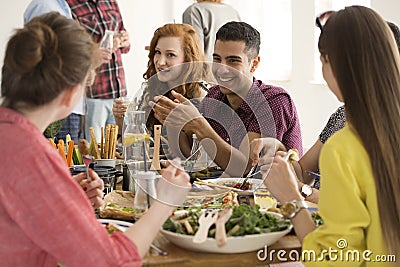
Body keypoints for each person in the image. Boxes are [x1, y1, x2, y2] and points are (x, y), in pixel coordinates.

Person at [0, 12, 191, 266]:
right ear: (70, 95)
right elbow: (109, 261)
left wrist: (64, 201)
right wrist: (164, 204)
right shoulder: (33, 156)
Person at [256, 6, 400, 265]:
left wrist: (291, 200)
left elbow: (334, 259)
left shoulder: (344, 147)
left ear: (333, 63)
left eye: (323, 59)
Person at [249, 20, 400, 205]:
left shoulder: (388, 126)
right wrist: (278, 148)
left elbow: (358, 206)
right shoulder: (343, 114)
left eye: (327, 60)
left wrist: (299, 191)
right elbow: (303, 172)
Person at [151, 21, 303, 177]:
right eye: (217, 59)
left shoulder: (274, 101)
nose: (222, 69)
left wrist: (199, 124)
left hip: (269, 198)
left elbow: (245, 167)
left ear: (254, 64)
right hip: (222, 194)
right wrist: (177, 124)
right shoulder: (214, 95)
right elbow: (193, 154)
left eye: (233, 61)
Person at [113, 23, 213, 149]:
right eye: (157, 52)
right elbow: (137, 143)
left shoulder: (204, 94)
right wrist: (120, 119)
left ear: (188, 59)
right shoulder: (150, 89)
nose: (160, 62)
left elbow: (205, 154)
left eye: (170, 55)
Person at [66, 0, 131, 142]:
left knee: (119, 149)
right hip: (94, 94)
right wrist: (99, 47)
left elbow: (124, 42)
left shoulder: (110, 2)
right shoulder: (70, 5)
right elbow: (71, 50)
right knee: (94, 152)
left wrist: (125, 40)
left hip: (119, 92)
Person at [23, 0, 86, 143]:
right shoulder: (44, 6)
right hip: (57, 103)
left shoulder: (62, 6)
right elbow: (45, 57)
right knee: (62, 158)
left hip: (67, 104)